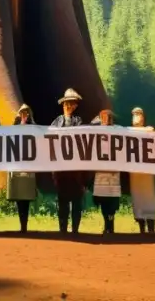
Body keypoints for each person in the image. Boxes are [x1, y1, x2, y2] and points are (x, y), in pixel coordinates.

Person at [50, 88, 86, 235]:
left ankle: (75, 229)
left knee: (77, 200)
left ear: (75, 106)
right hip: (60, 170)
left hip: (75, 170)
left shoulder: (79, 121)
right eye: (66, 104)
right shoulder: (57, 121)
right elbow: (49, 135)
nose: (68, 106)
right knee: (62, 200)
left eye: (71, 104)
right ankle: (63, 229)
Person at [7, 104, 37, 233]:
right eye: (22, 112)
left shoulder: (34, 128)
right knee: (19, 197)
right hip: (18, 167)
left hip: (29, 167)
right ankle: (22, 225)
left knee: (26, 197)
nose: (25, 114)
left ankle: (25, 225)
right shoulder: (14, 128)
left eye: (26, 112)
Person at [91, 109, 121, 235]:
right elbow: (89, 127)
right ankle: (106, 226)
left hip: (113, 173)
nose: (106, 119)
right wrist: (97, 121)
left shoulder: (118, 130)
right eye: (103, 117)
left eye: (108, 117)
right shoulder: (97, 131)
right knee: (103, 202)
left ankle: (111, 226)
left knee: (112, 204)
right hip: (101, 173)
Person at [128, 108, 155, 233]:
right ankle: (141, 227)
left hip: (147, 170)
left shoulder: (149, 130)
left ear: (143, 117)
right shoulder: (127, 132)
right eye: (134, 114)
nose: (137, 116)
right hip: (134, 172)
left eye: (139, 114)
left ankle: (151, 227)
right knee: (138, 198)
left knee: (149, 197)